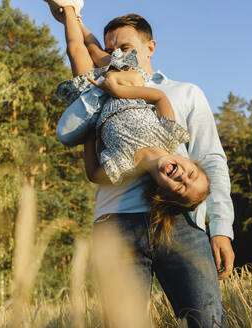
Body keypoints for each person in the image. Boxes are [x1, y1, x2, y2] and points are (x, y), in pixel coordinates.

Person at [45, 1, 235, 327]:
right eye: (109, 49)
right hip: (115, 225)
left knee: (206, 321)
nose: (115, 54)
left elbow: (211, 161)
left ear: (150, 47)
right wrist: (71, 15)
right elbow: (85, 50)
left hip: (180, 222)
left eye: (125, 47)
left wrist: (221, 228)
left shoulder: (184, 93)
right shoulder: (102, 87)